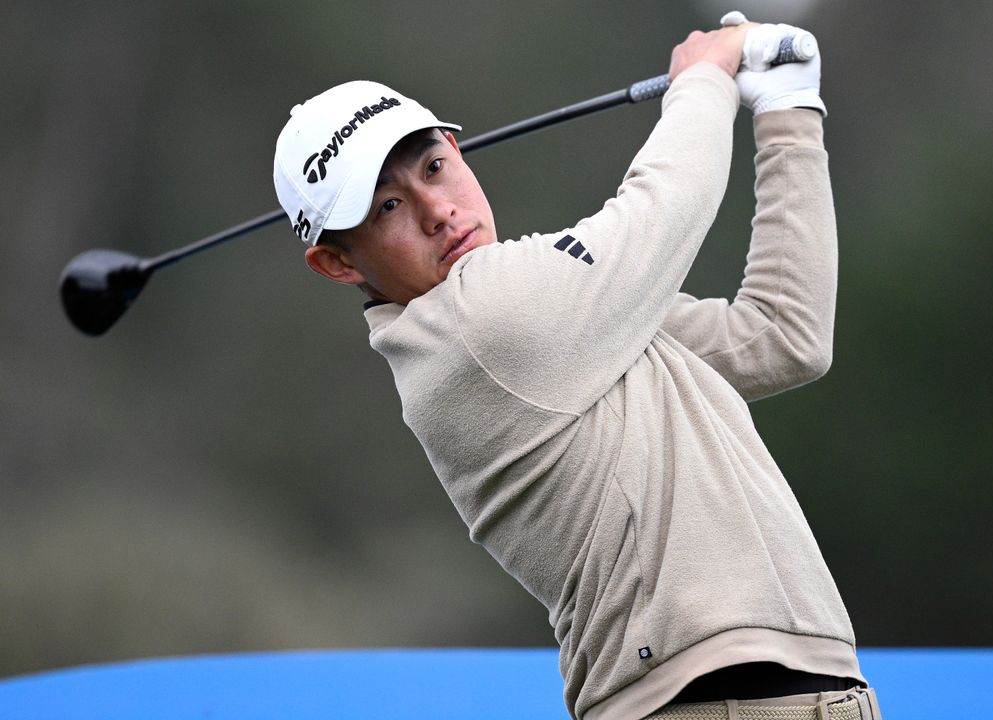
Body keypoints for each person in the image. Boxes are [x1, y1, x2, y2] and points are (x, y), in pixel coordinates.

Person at [272, 16, 880, 720]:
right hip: (705, 701)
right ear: (338, 262)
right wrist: (705, 78)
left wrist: (788, 112)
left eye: (434, 168)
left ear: (459, 151)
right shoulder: (476, 327)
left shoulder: (574, 321)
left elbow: (782, 336)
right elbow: (665, 207)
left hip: (801, 689)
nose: (438, 211)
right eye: (387, 207)